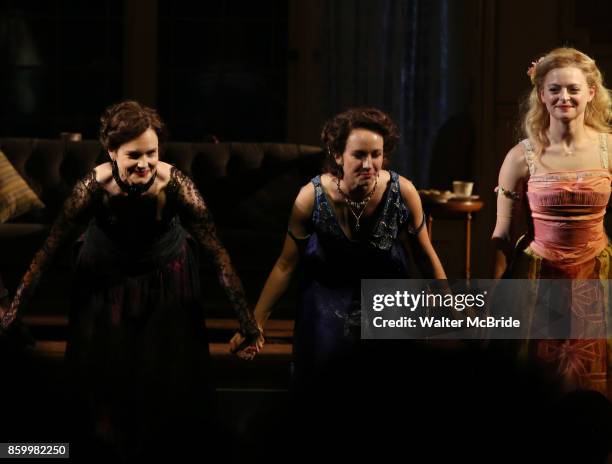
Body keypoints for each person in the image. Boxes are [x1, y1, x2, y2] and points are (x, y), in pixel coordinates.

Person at [0, 100, 260, 460]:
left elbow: (216, 250)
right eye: (133, 155)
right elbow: (49, 249)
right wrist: (14, 313)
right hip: (106, 275)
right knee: (103, 375)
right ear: (111, 152)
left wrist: (247, 323)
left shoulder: (176, 184)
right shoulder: (94, 186)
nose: (144, 164)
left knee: (165, 376)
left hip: (165, 273)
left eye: (151, 153)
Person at [230, 107, 446, 385]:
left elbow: (425, 255)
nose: (369, 164)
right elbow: (286, 265)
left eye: (376, 155)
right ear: (337, 155)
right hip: (327, 293)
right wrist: (255, 324)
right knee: (325, 383)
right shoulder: (311, 197)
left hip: (385, 289)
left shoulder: (403, 192)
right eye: (359, 155)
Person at [492, 47, 612, 399]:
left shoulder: (609, 149)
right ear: (541, 94)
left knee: (592, 380)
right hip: (539, 276)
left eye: (573, 89)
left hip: (597, 273)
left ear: (591, 92)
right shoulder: (520, 156)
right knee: (540, 382)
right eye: (555, 89)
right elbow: (501, 234)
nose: (565, 97)